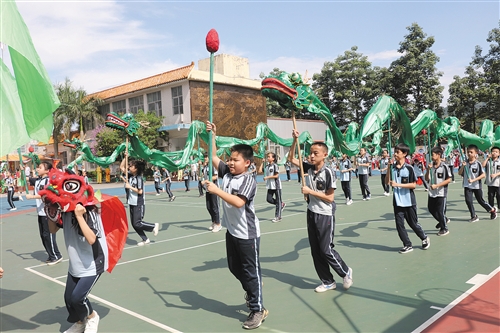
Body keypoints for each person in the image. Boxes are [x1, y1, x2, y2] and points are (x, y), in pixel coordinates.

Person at [204, 121, 268, 330]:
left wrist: (216, 190)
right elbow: (213, 157)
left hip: (247, 234)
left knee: (250, 271)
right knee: (234, 267)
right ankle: (254, 287)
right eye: (230, 159)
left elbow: (239, 202)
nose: (230, 163)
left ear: (247, 163)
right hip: (232, 232)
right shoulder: (227, 174)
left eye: (235, 160)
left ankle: (258, 309)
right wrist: (212, 135)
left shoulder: (248, 180)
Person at [288, 128, 353, 293]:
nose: (311, 156)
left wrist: (310, 192)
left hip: (325, 214)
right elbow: (290, 158)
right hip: (312, 212)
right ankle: (327, 281)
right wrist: (295, 141)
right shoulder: (308, 168)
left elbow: (330, 198)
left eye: (315, 153)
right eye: (310, 153)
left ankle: (345, 271)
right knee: (315, 251)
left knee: (326, 249)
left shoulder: (329, 172)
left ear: (324, 155)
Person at [44, 194, 105, 333]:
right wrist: (50, 212)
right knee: (69, 299)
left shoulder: (90, 211)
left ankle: (93, 317)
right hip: (75, 263)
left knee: (78, 298)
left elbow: (91, 239)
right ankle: (80, 322)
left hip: (93, 263)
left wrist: (79, 216)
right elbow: (53, 230)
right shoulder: (65, 211)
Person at [385, 143, 430, 254]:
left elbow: (413, 185)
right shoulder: (393, 168)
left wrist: (398, 185)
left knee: (413, 223)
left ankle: (424, 237)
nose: (395, 154)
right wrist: (389, 169)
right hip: (397, 201)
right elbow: (387, 182)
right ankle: (407, 244)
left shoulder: (409, 168)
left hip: (409, 201)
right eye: (394, 152)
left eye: (397, 152)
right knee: (399, 225)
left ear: (404, 154)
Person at [26, 162, 63, 265]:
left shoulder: (48, 181)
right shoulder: (38, 180)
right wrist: (23, 169)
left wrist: (32, 197)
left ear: (47, 170)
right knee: (43, 235)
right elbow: (27, 178)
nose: (38, 169)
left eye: (40, 167)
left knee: (49, 235)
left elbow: (45, 194)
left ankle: (56, 256)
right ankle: (51, 255)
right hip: (40, 212)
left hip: (48, 212)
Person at [120, 156, 160, 246]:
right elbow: (122, 167)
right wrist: (125, 157)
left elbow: (140, 191)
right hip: (131, 202)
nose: (129, 167)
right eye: (129, 165)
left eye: (131, 166)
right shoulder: (130, 175)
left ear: (136, 168)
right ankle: (145, 239)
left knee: (137, 223)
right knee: (134, 224)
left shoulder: (139, 178)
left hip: (138, 203)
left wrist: (129, 187)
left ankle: (153, 226)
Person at [458, 145, 497, 222]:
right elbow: (459, 173)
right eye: (468, 152)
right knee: (468, 201)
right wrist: (463, 166)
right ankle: (474, 216)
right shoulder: (465, 163)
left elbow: (483, 175)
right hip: (467, 185)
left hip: (476, 186)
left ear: (476, 153)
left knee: (480, 200)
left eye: (471, 152)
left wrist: (473, 180)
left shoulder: (478, 163)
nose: (469, 153)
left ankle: (492, 210)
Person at [425, 147, 452, 236]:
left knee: (440, 211)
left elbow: (448, 180)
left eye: (433, 155)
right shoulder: (430, 166)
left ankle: (444, 228)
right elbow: (426, 178)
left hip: (441, 193)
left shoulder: (444, 166)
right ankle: (444, 220)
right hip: (432, 193)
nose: (431, 157)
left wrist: (437, 185)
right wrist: (428, 170)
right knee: (431, 209)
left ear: (438, 155)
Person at [262, 152, 285, 223]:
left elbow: (276, 176)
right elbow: (260, 171)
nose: (268, 158)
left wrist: (267, 177)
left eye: (269, 156)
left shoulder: (275, 166)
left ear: (273, 158)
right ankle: (281, 204)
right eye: (267, 157)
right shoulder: (267, 166)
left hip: (276, 186)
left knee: (278, 201)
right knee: (269, 199)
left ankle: (278, 217)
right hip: (270, 186)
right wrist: (262, 163)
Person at [201, 154, 221, 232]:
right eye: (204, 157)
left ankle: (218, 224)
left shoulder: (213, 166)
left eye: (206, 157)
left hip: (214, 189)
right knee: (209, 207)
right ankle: (214, 222)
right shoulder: (205, 167)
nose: (205, 158)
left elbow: (215, 177)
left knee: (215, 207)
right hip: (208, 189)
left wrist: (205, 181)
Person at [483, 146, 500, 212]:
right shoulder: (488, 161)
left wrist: (495, 174)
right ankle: (491, 208)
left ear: (499, 153)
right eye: (493, 151)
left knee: (499, 195)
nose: (494, 153)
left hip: (498, 182)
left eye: (496, 152)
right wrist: (487, 158)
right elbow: (483, 165)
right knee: (490, 196)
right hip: (490, 182)